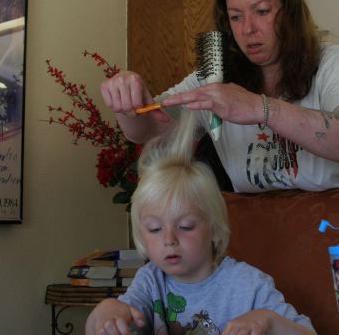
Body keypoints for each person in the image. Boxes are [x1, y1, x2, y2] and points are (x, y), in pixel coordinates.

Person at [100, 0, 339, 334]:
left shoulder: (333, 63)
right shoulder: (213, 79)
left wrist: (258, 108)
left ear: (288, 12)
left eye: (261, 11)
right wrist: (126, 102)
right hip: (280, 268)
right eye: (235, 17)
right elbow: (147, 130)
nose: (248, 29)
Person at [85, 111, 316, 335]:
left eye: (185, 226)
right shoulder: (149, 281)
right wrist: (104, 312)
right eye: (155, 229)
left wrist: (270, 322)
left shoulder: (248, 284)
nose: (169, 240)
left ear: (214, 228)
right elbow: (98, 326)